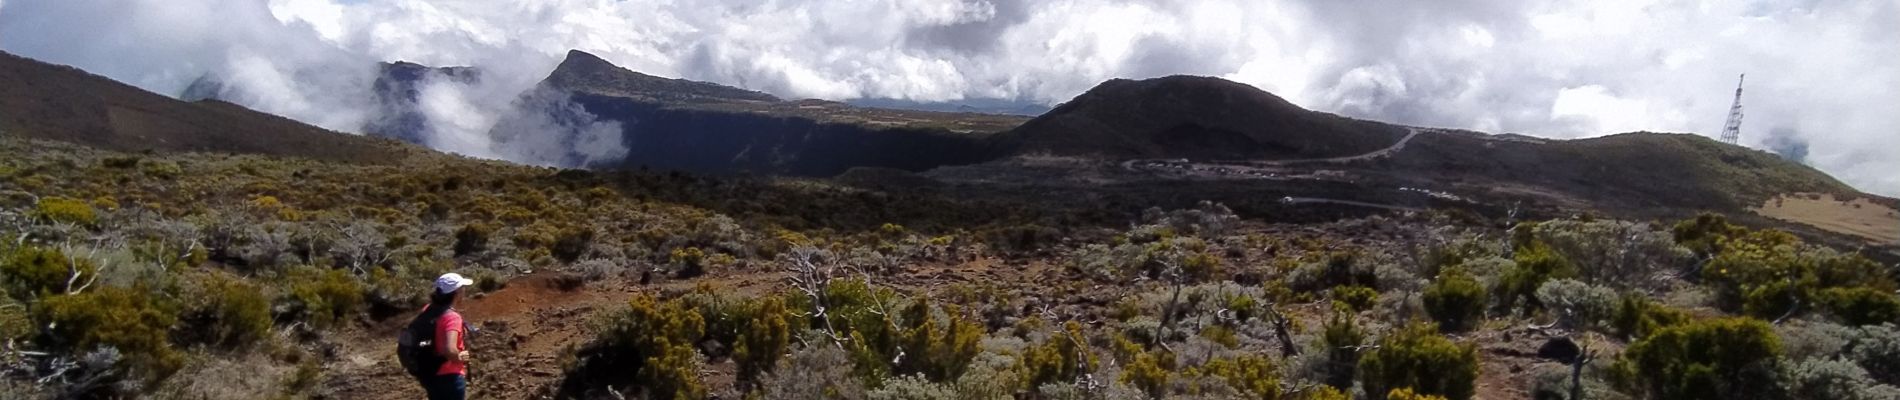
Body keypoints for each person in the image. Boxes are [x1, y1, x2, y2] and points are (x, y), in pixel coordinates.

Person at [420, 273, 475, 400]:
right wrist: (460, 356)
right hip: (450, 377)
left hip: (431, 374)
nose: (464, 291)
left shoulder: (427, 310)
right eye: (462, 288)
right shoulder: (452, 317)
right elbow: (449, 350)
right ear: (457, 292)